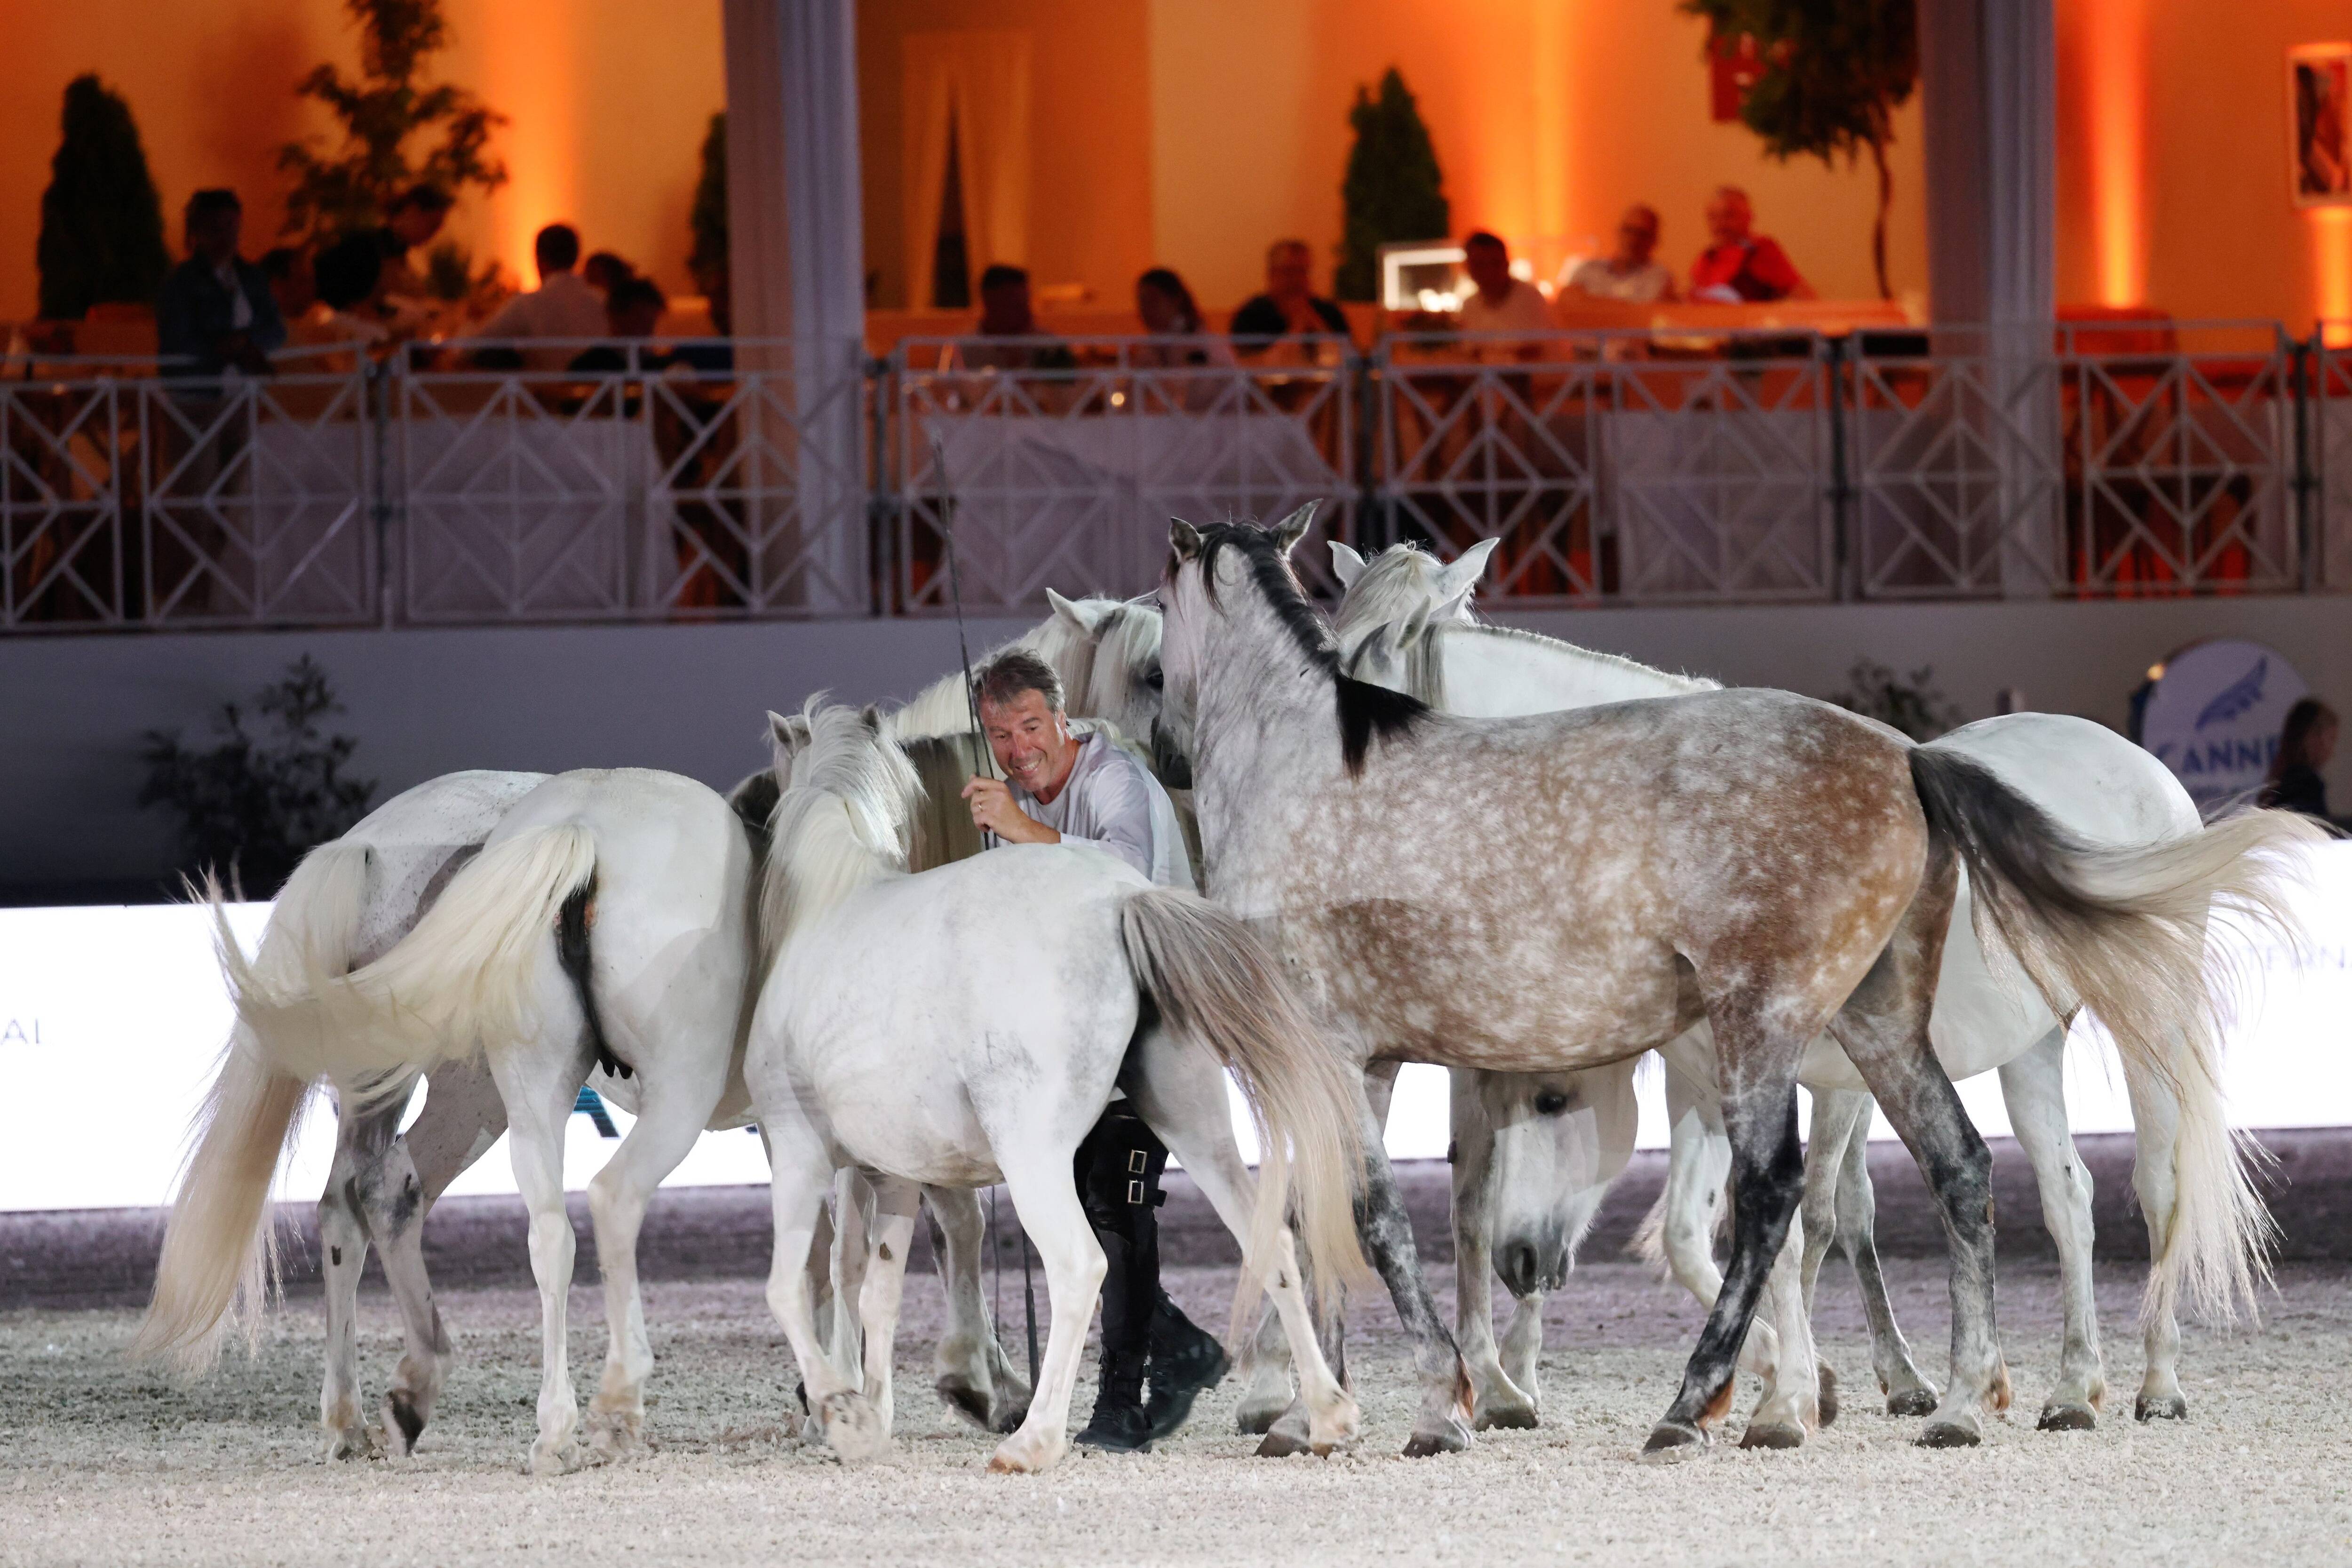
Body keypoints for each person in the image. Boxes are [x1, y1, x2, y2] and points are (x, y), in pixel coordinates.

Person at [958, 649, 1227, 1452]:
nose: (1017, 748)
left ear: (1063, 720)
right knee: (1068, 1201)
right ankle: (1177, 1345)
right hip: (1071, 1036)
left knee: (1118, 1199)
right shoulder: (1007, 805)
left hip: (1156, 1019)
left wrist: (1023, 831)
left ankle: (1124, 1400)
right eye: (1000, 734)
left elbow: (1126, 872)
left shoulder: (1115, 778)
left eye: (1030, 726)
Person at [156, 189, 285, 380]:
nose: (225, 236)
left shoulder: (252, 277)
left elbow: (277, 329)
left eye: (231, 225)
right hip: (199, 388)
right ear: (198, 231)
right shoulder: (182, 282)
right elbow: (177, 339)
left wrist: (246, 342)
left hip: (246, 389)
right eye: (215, 228)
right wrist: (226, 347)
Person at [468, 223, 608, 371]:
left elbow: (474, 346)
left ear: (539, 259)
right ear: (577, 257)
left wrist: (471, 322)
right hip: (604, 391)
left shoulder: (527, 304)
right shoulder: (603, 300)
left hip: (547, 391)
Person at [1688, 186, 1814, 303]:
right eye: (1713, 217)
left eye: (1729, 215)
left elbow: (1804, 296)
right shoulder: (1706, 259)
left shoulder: (1761, 250)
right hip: (1710, 325)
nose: (1721, 224)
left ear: (1749, 217)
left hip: (1750, 325)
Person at [1229, 239, 1350, 347]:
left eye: (1303, 272)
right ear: (1272, 275)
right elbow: (1246, 364)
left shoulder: (1328, 312)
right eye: (1289, 272)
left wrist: (1315, 324)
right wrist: (1296, 330)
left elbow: (1348, 360)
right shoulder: (1252, 315)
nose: (1297, 280)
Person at [963, 263, 1074, 372]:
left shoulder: (1048, 345)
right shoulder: (964, 349)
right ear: (990, 302)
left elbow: (1070, 385)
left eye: (1026, 303)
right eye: (1015, 305)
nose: (1027, 313)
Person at [1564, 205, 1678, 303]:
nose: (1633, 239)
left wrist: (1589, 301)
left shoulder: (1659, 278)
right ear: (1618, 232)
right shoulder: (1588, 270)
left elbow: (1639, 314)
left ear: (1654, 240)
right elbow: (1565, 301)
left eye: (1642, 234)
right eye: (1628, 230)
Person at [1132, 267, 1231, 371]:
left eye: (1154, 300)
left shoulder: (1202, 346)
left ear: (1176, 300)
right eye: (1142, 302)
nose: (1146, 309)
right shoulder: (1148, 348)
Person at [567, 275, 670, 374]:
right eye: (641, 319)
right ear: (616, 317)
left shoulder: (658, 366)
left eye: (652, 321)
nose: (648, 328)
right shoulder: (588, 367)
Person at [2259, 697, 2340, 820]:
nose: (2332, 751)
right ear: (2314, 738)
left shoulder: (2282, 782)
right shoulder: (2306, 786)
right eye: (2332, 739)